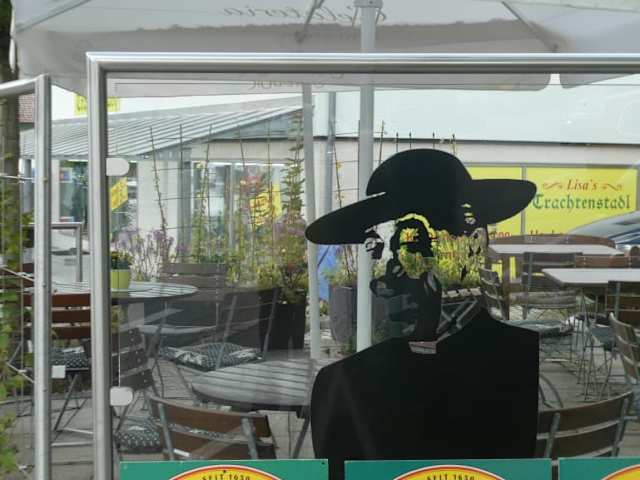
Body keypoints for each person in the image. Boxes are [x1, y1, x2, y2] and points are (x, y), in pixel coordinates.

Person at [305, 149, 540, 480]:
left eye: (412, 243)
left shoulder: (344, 385)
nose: (385, 275)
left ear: (473, 244)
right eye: (377, 249)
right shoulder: (520, 358)